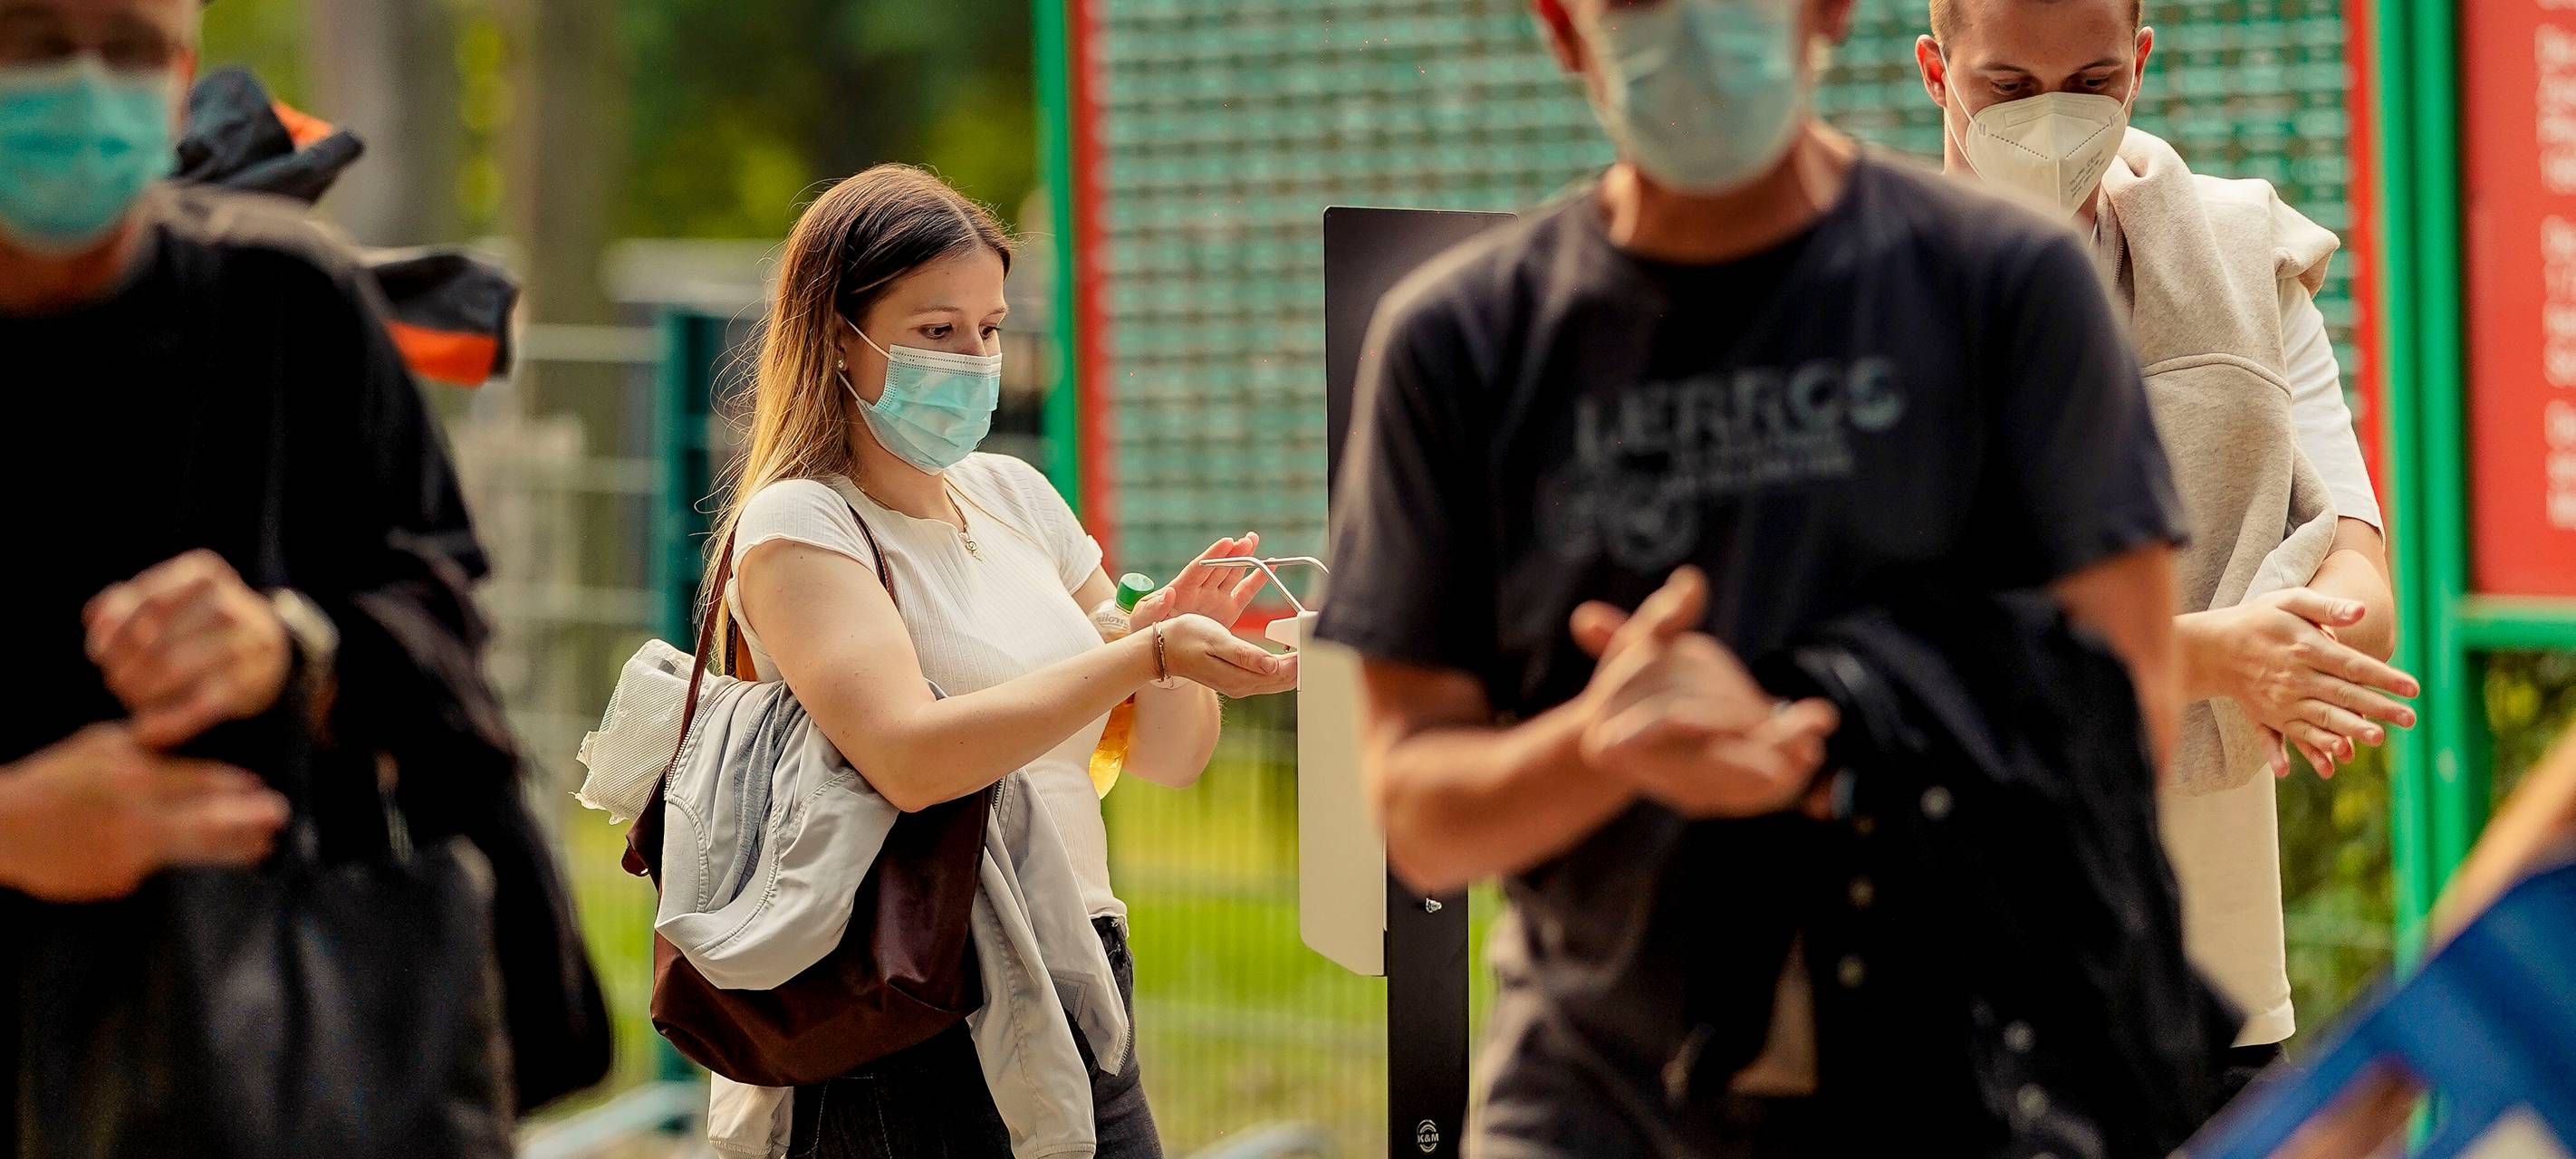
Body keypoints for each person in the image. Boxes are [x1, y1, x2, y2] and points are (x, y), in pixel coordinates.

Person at [1316, 0, 2196, 1153]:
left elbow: (2130, 720)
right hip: (1598, 1105)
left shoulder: (2004, 289)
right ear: (1562, 28)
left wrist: (1821, 747)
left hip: (1960, 1092)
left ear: (1827, 8)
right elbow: (1418, 814)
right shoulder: (1461, 342)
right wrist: (1599, 745)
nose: (1689, 26)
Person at [1, 0, 604, 1151]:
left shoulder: (286, 302)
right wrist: (18, 827)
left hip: (274, 1059)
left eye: (126, 45)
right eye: (31, 38)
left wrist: (296, 648)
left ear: (181, 77)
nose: (82, 86)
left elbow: (443, 621)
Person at [710, 163, 1297, 1158]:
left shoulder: (1015, 496)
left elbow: (1164, 756)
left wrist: (1177, 649)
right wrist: (1141, 651)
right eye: (937, 330)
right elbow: (908, 753)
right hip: (908, 987)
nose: (975, 358)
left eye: (989, 328)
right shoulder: (801, 523)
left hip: (1080, 959)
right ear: (836, 338)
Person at [1915, 0, 2417, 1097]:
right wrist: (2225, 654)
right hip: (1953, 1011)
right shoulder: (1867, 299)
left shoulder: (2245, 256)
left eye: (2093, 83)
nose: (2053, 121)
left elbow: (2363, 593)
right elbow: (1926, 655)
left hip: (2212, 989)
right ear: (1933, 71)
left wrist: (2275, 639)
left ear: (2140, 64)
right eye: (2007, 88)